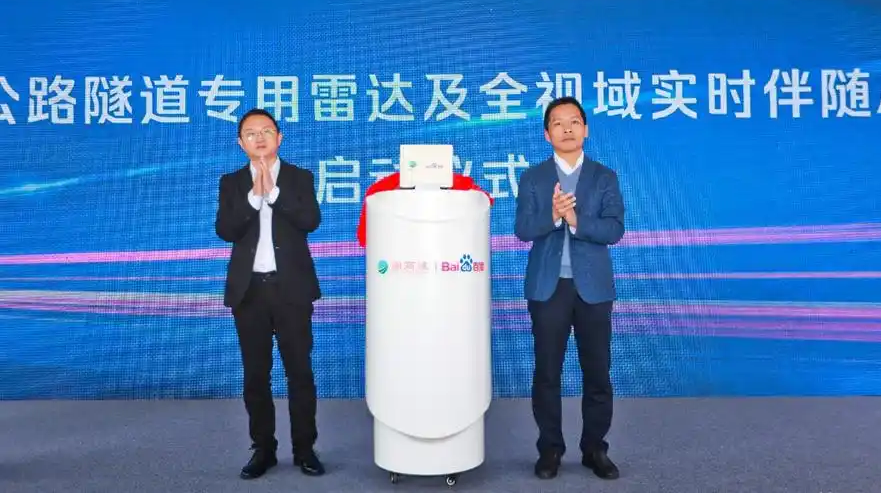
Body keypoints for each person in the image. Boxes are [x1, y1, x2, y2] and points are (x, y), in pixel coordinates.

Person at [513, 97, 626, 481]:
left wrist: (576, 219)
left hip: (593, 288)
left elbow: (614, 229)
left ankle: (595, 448)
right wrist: (552, 215)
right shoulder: (533, 178)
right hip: (548, 288)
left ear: (585, 130)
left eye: (574, 122)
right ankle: (550, 449)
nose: (566, 129)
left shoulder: (604, 177)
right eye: (558, 123)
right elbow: (522, 229)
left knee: (597, 372)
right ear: (547, 134)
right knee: (547, 372)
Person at [215, 108, 326, 480]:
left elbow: (310, 220)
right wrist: (253, 198)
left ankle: (305, 449)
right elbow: (225, 230)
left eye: (266, 131)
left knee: (299, 373)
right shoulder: (232, 183)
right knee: (255, 376)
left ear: (279, 138)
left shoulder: (299, 177)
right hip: (249, 292)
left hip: (291, 290)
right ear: (241, 143)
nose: (259, 138)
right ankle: (263, 449)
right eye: (251, 133)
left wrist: (274, 193)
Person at [356, 170, 493, 247]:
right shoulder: (382, 189)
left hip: (447, 267)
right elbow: (364, 238)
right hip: (398, 269)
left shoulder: (456, 184)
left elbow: (485, 200)